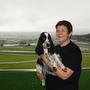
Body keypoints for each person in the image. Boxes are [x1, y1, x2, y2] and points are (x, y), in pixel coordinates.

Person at [41, 20, 82, 90]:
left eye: (63, 31)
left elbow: (64, 75)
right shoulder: (55, 48)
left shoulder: (74, 51)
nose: (59, 33)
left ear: (70, 34)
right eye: (57, 31)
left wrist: (47, 61)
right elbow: (49, 67)